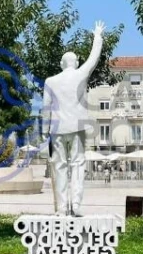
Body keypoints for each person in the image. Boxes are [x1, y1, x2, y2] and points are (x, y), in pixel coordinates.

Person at [43, 21, 104, 216]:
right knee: (78, 164)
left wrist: (44, 130)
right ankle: (76, 204)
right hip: (77, 128)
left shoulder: (50, 81)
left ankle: (62, 208)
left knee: (59, 166)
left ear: (61, 64)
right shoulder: (80, 74)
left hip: (57, 130)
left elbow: (46, 108)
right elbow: (93, 58)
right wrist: (97, 36)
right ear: (76, 63)